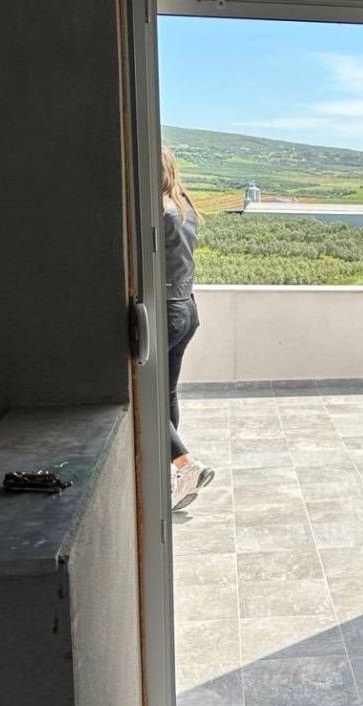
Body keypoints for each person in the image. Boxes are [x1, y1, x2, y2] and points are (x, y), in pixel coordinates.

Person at [162, 146, 214, 510]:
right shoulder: (185, 209)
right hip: (186, 309)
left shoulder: (157, 212)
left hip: (165, 311)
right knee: (166, 394)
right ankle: (173, 474)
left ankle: (185, 465)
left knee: (147, 397)